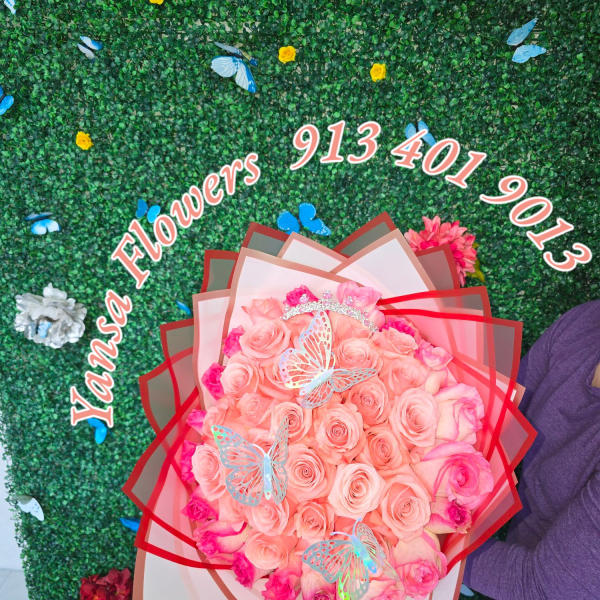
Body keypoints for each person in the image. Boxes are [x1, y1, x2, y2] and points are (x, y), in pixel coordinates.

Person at [462, 300, 600, 598]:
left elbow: (539, 588)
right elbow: (500, 414)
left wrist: (422, 545)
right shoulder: (587, 323)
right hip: (505, 548)